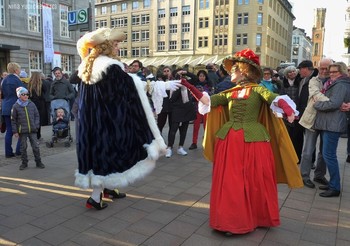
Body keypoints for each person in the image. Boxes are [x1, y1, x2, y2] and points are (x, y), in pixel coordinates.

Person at [180, 48, 303, 234]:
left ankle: (251, 218)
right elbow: (207, 101)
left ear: (244, 71)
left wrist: (288, 110)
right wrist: (189, 86)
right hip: (229, 140)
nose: (231, 72)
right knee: (231, 181)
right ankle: (230, 220)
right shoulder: (229, 93)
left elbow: (275, 99)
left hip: (253, 140)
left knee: (252, 179)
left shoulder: (258, 90)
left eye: (235, 69)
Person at [75, 27, 167, 210]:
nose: (118, 48)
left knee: (96, 153)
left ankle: (109, 188)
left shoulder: (88, 65)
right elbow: (129, 89)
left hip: (90, 122)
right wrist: (156, 86)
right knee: (107, 153)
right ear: (106, 46)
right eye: (115, 44)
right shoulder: (111, 67)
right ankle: (94, 198)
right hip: (107, 122)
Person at [313, 62, 350, 197]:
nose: (332, 74)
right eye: (331, 72)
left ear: (342, 72)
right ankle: (333, 183)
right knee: (327, 154)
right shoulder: (335, 83)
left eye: (335, 72)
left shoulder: (340, 84)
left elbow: (334, 103)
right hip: (329, 123)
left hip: (333, 124)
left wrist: (316, 104)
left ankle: (335, 187)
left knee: (329, 155)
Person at [298, 58, 333, 188]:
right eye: (322, 68)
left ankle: (319, 175)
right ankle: (305, 176)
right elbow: (316, 96)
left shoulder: (335, 81)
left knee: (324, 151)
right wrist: (334, 103)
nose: (324, 71)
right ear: (318, 68)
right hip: (312, 119)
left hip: (327, 120)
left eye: (327, 68)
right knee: (308, 151)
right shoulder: (313, 80)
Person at [11, 87, 45, 170]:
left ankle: (38, 161)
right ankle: (24, 162)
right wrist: (15, 131)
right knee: (23, 147)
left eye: (27, 94)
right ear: (19, 96)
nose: (26, 96)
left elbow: (37, 115)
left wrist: (36, 125)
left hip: (32, 130)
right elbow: (13, 119)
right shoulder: (15, 106)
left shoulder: (31, 104)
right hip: (22, 131)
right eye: (23, 94)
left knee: (35, 146)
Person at [1, 62, 24, 158]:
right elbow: (22, 94)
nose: (20, 71)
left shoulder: (4, 80)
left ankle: (8, 152)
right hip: (15, 107)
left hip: (5, 107)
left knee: (9, 130)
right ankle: (19, 150)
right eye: (19, 69)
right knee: (21, 129)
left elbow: (2, 94)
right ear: (15, 70)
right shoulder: (17, 80)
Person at [189, 70, 212, 150]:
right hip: (197, 108)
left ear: (205, 76)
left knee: (206, 126)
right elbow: (192, 96)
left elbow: (211, 95)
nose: (201, 77)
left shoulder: (209, 84)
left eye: (203, 76)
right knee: (196, 126)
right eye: (200, 76)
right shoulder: (195, 85)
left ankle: (207, 142)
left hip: (206, 108)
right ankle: (194, 142)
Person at [28, 71, 49, 140]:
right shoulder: (41, 84)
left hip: (31, 104)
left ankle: (33, 136)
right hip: (40, 104)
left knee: (33, 120)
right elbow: (46, 91)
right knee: (38, 121)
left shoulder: (29, 84)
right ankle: (38, 136)